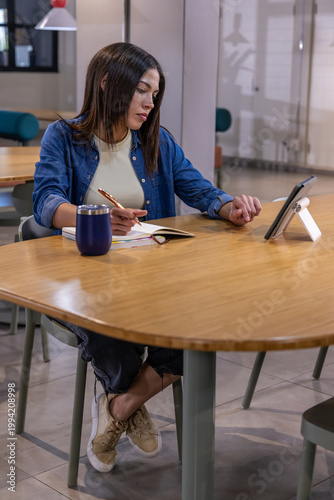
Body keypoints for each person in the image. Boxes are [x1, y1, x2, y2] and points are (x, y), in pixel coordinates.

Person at [33, 42, 262, 473]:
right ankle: (130, 401)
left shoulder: (157, 141)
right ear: (107, 83)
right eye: (142, 89)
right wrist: (92, 216)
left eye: (154, 93)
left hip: (147, 274)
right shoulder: (62, 137)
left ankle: (120, 407)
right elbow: (46, 201)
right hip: (78, 278)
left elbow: (200, 190)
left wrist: (230, 206)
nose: (149, 103)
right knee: (110, 325)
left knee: (196, 330)